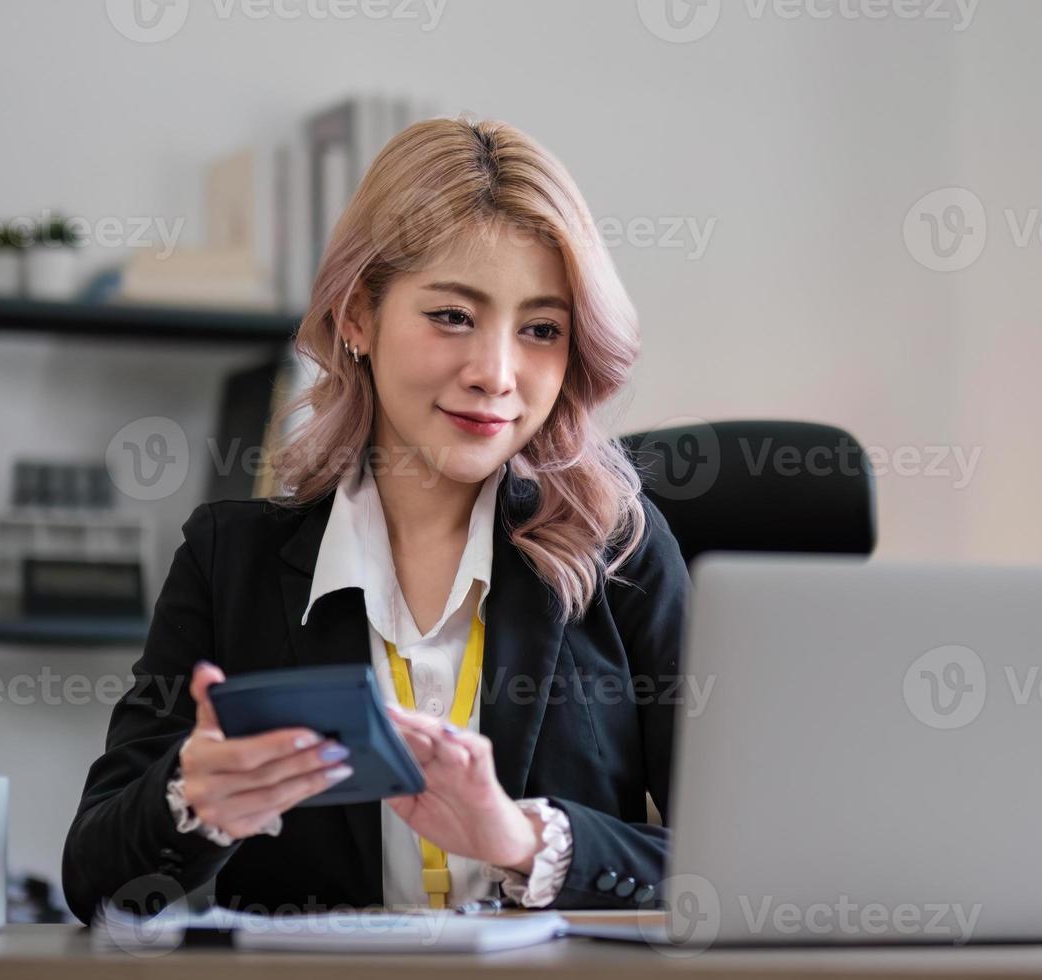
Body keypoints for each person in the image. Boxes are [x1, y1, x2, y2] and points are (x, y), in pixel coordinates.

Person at [61, 116, 688, 923]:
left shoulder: (620, 554)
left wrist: (524, 840)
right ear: (358, 315)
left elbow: (739, 868)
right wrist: (192, 797)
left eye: (540, 330)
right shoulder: (231, 561)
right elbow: (92, 878)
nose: (495, 374)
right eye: (452, 316)